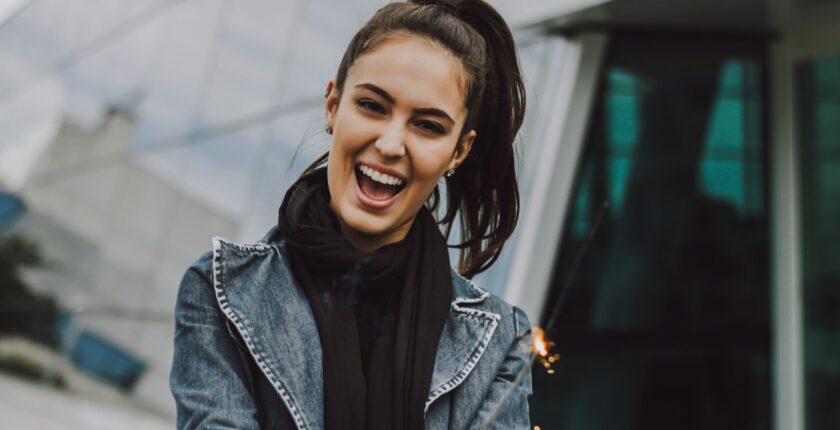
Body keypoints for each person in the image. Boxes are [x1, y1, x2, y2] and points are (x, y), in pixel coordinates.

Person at [169, 0, 532, 429]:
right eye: (373, 106)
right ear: (333, 105)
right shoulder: (223, 293)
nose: (391, 144)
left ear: (459, 151)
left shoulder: (501, 344)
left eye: (428, 126)